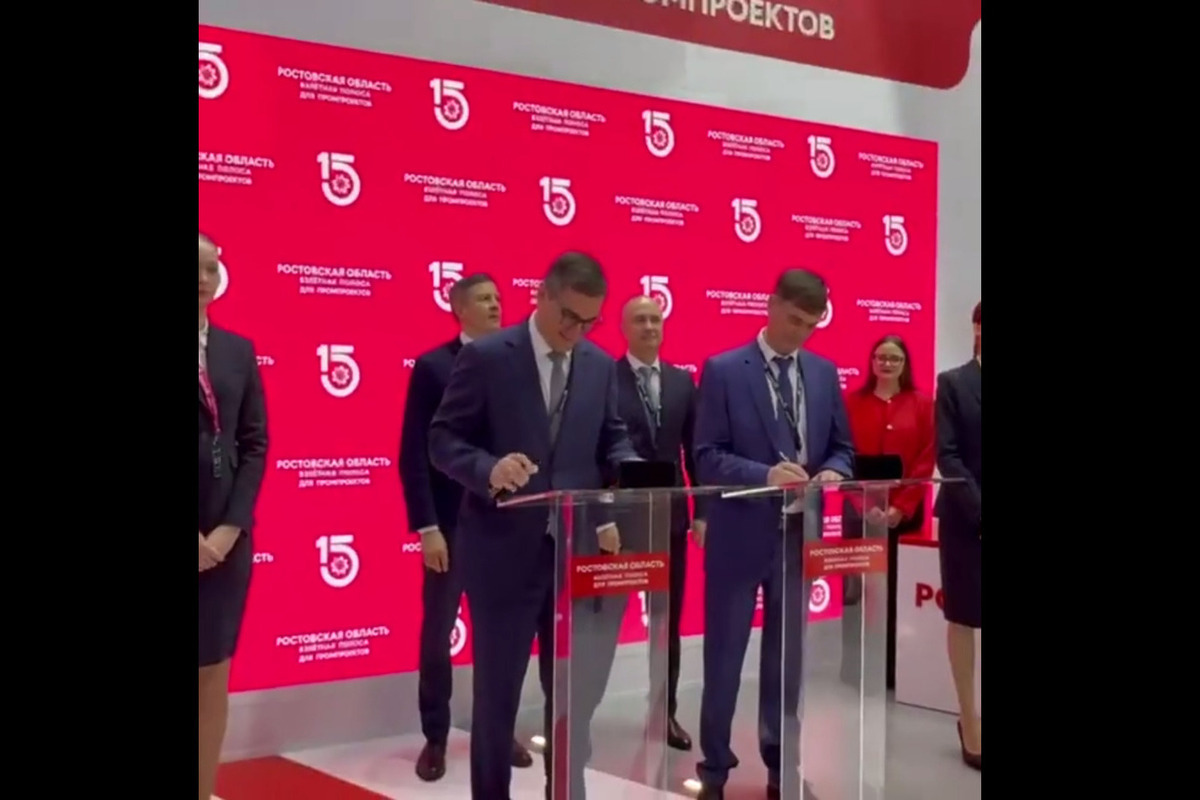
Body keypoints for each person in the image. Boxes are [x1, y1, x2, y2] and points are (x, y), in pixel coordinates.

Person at [428, 251, 639, 800]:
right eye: (568, 316)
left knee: (570, 696)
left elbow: (610, 436)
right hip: (501, 554)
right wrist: (487, 470)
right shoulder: (487, 357)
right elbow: (443, 440)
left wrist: (629, 468)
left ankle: (565, 790)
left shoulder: (598, 364)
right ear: (541, 295)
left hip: (574, 555)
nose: (576, 331)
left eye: (590, 321)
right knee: (497, 698)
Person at [693, 269, 855, 800]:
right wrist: (764, 475)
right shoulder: (723, 370)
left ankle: (782, 766)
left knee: (787, 666)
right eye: (793, 320)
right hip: (739, 534)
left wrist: (834, 472)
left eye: (811, 325)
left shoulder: (823, 373)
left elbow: (842, 447)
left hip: (799, 537)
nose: (799, 333)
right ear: (770, 305)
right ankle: (714, 770)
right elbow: (706, 456)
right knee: (723, 661)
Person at [398, 273, 534, 781]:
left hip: (508, 522)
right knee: (438, 630)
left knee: (502, 635)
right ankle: (435, 735)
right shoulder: (434, 366)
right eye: (483, 298)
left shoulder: (519, 364)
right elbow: (415, 452)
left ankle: (497, 732)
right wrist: (426, 526)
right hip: (451, 524)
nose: (496, 304)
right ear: (458, 308)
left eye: (498, 297)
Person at [614, 295, 705, 752]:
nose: (650, 326)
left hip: (669, 520)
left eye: (655, 318)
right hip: (616, 525)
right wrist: (603, 517)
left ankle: (664, 713)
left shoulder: (682, 382)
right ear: (624, 328)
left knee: (667, 623)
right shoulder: (604, 379)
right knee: (600, 627)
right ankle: (577, 710)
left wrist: (702, 511)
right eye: (640, 319)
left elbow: (696, 451)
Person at [198, 233, 268, 800]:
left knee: (211, 674)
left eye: (211, 268)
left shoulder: (237, 351)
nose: (204, 279)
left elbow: (254, 443)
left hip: (226, 541)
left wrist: (230, 526)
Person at [842, 334, 935, 686]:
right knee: (860, 591)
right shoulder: (852, 403)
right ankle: (857, 668)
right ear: (872, 362)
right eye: (881, 357)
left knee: (897, 591)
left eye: (895, 358)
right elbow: (844, 454)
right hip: (860, 514)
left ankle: (895, 669)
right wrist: (863, 504)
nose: (887, 363)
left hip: (905, 516)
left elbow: (926, 457)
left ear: (905, 364)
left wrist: (900, 506)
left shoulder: (923, 404)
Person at [934, 301, 982, 771]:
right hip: (967, 518)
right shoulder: (953, 383)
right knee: (965, 617)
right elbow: (948, 456)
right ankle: (969, 719)